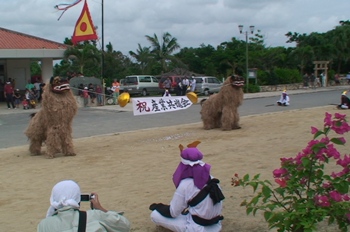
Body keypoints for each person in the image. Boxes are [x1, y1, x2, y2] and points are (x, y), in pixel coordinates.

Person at [149, 141, 224, 232]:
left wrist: (159, 207)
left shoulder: (185, 184)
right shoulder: (213, 180)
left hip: (197, 228)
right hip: (215, 226)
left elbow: (173, 212)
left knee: (155, 215)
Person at [37, 180, 130, 232]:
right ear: (78, 200)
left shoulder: (43, 225)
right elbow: (124, 226)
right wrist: (100, 209)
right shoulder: (96, 216)